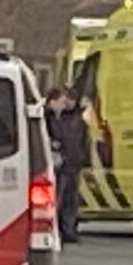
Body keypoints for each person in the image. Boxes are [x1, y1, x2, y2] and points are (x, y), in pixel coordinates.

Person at [44, 86, 89, 240]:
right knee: (58, 197)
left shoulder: (75, 118)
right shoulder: (49, 117)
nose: (64, 105)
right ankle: (57, 229)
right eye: (62, 101)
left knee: (70, 199)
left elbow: (82, 139)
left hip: (72, 162)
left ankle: (68, 230)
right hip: (61, 163)